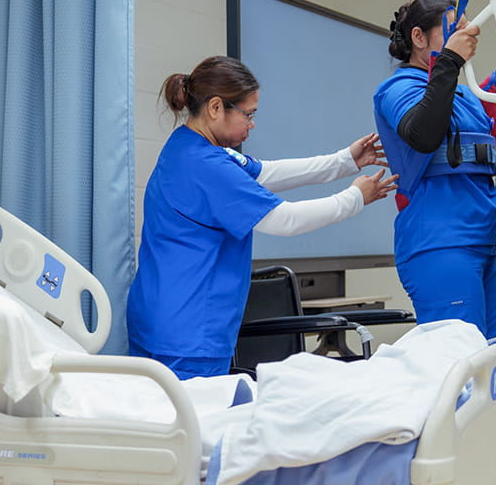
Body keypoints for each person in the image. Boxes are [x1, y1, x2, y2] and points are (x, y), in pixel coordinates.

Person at [126, 55, 397, 381]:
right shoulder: (208, 165)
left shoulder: (186, 146)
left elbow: (268, 172)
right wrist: (355, 198)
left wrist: (344, 161)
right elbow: (285, 220)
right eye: (248, 114)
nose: (252, 124)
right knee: (196, 414)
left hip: (159, 317)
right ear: (215, 107)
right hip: (189, 331)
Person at [373, 0, 496, 338]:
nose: (469, 34)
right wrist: (450, 61)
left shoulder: (465, 94)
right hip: (439, 243)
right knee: (458, 357)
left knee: (492, 355)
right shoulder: (397, 89)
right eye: (455, 28)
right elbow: (423, 135)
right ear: (418, 37)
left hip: (482, 242)